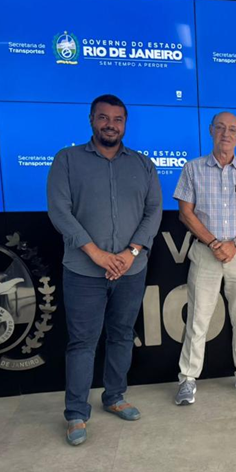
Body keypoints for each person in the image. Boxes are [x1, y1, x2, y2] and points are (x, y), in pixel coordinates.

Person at [47, 94, 162, 446]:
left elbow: (153, 211)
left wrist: (131, 252)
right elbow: (59, 210)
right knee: (83, 342)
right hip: (84, 270)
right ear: (91, 120)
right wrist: (95, 253)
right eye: (103, 118)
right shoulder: (67, 160)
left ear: (125, 124)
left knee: (122, 335)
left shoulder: (143, 165)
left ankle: (114, 396)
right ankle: (76, 413)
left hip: (131, 269)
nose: (110, 125)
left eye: (117, 119)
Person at [173, 112, 236, 405]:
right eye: (220, 128)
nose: (225, 133)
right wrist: (215, 242)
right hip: (206, 253)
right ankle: (187, 379)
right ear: (210, 131)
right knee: (197, 319)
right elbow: (185, 213)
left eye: (232, 129)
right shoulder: (192, 169)